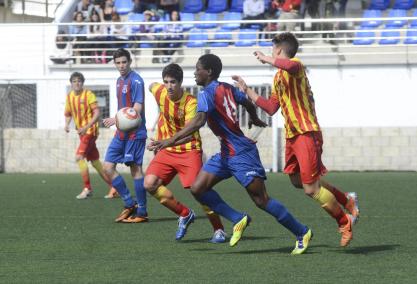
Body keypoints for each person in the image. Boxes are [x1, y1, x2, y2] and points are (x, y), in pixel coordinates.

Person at [149, 54, 312, 254]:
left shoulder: (206, 94)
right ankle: (237, 219)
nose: (194, 72)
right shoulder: (227, 87)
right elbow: (246, 102)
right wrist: (253, 117)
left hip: (241, 153)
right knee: (198, 188)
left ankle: (301, 231)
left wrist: (168, 141)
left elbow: (199, 122)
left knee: (261, 200)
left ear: (208, 72)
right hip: (226, 152)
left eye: (198, 68)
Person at [232, 32, 360, 247]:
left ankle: (344, 221)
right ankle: (346, 200)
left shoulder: (295, 66)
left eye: (273, 50)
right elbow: (272, 108)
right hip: (292, 136)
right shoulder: (278, 78)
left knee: (311, 188)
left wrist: (266, 58)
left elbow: (289, 67)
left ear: (280, 51)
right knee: (296, 181)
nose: (271, 53)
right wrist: (247, 91)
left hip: (306, 132)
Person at [142, 63, 226, 242]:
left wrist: (164, 143)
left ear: (180, 83)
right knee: (149, 184)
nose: (169, 86)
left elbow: (189, 136)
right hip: (166, 149)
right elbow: (150, 85)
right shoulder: (160, 91)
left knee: (199, 191)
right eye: (166, 82)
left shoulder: (191, 103)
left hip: (188, 150)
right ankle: (184, 214)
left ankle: (219, 229)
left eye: (173, 82)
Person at [103, 48, 148, 223]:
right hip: (121, 132)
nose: (121, 66)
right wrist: (117, 122)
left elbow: (137, 109)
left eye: (124, 62)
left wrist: (116, 119)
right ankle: (130, 203)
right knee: (107, 167)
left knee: (135, 170)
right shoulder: (118, 81)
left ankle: (142, 212)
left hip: (135, 133)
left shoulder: (136, 81)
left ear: (130, 62)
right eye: (118, 62)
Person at [64, 72, 118, 199]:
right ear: (71, 83)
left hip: (90, 131)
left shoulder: (88, 95)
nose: (77, 83)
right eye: (74, 81)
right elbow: (68, 113)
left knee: (79, 157)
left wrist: (86, 127)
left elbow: (97, 112)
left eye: (79, 81)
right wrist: (66, 125)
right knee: (95, 162)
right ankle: (114, 187)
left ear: (82, 83)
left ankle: (87, 188)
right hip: (82, 133)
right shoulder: (70, 96)